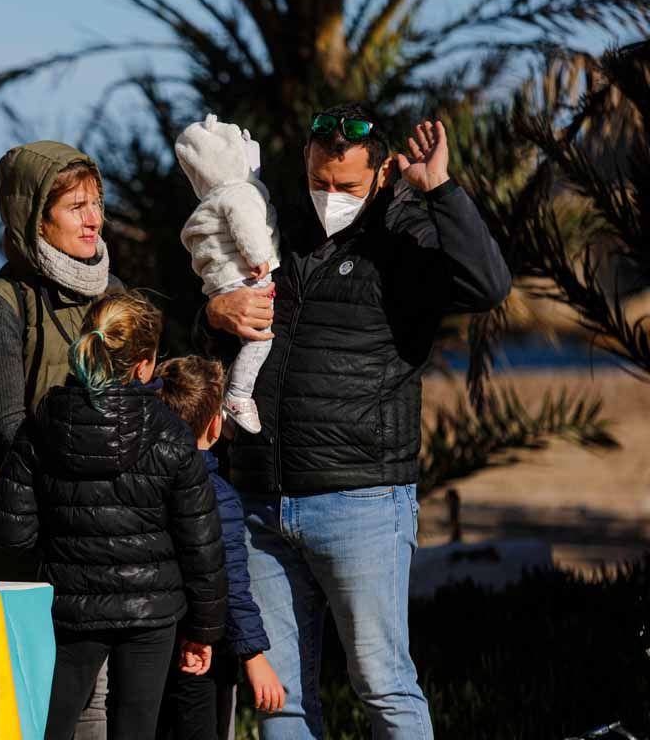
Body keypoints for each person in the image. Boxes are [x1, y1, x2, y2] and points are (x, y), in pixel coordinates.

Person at [202, 103, 512, 738]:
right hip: (261, 500)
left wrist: (442, 192)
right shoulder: (270, 226)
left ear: (382, 174)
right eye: (319, 182)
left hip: (361, 500)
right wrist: (214, 312)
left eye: (345, 186)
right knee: (278, 701)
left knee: (383, 687)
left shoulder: (408, 238)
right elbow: (210, 327)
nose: (329, 197)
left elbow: (487, 286)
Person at [0, 292, 228, 740]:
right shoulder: (172, 435)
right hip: (152, 612)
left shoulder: (43, 424)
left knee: (53, 723)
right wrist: (204, 630)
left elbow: (12, 531)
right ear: (143, 365)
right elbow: (201, 545)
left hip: (71, 607)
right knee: (135, 726)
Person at [0, 141, 122, 737]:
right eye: (75, 205)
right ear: (34, 219)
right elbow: (10, 427)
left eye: (97, 203)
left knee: (95, 697)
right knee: (23, 687)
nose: (92, 219)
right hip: (23, 538)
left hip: (103, 536)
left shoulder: (113, 296)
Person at [156, 356, 285, 740]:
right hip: (204, 654)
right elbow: (230, 582)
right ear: (216, 424)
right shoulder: (219, 497)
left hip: (154, 642)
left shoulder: (144, 483)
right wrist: (254, 655)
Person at [176, 115, 279, 433]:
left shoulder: (209, 201)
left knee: (245, 341)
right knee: (260, 340)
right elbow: (246, 227)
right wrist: (260, 257)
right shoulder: (240, 193)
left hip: (221, 282)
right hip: (247, 274)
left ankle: (229, 394)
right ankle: (238, 394)